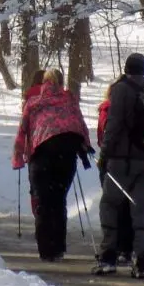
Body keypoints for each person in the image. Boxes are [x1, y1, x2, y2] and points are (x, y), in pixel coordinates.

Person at [13, 68, 92, 261]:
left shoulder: (34, 103)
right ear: (61, 82)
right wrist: (85, 148)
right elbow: (81, 125)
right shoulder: (70, 101)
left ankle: (46, 250)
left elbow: (22, 130)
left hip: (41, 156)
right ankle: (58, 247)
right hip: (67, 156)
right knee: (58, 200)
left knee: (43, 202)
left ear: (44, 83)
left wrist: (17, 157)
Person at [95, 53, 144, 277]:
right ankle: (141, 261)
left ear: (126, 68)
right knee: (140, 209)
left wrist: (104, 154)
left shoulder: (121, 90)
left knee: (110, 205)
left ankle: (108, 257)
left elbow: (113, 125)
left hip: (121, 160)